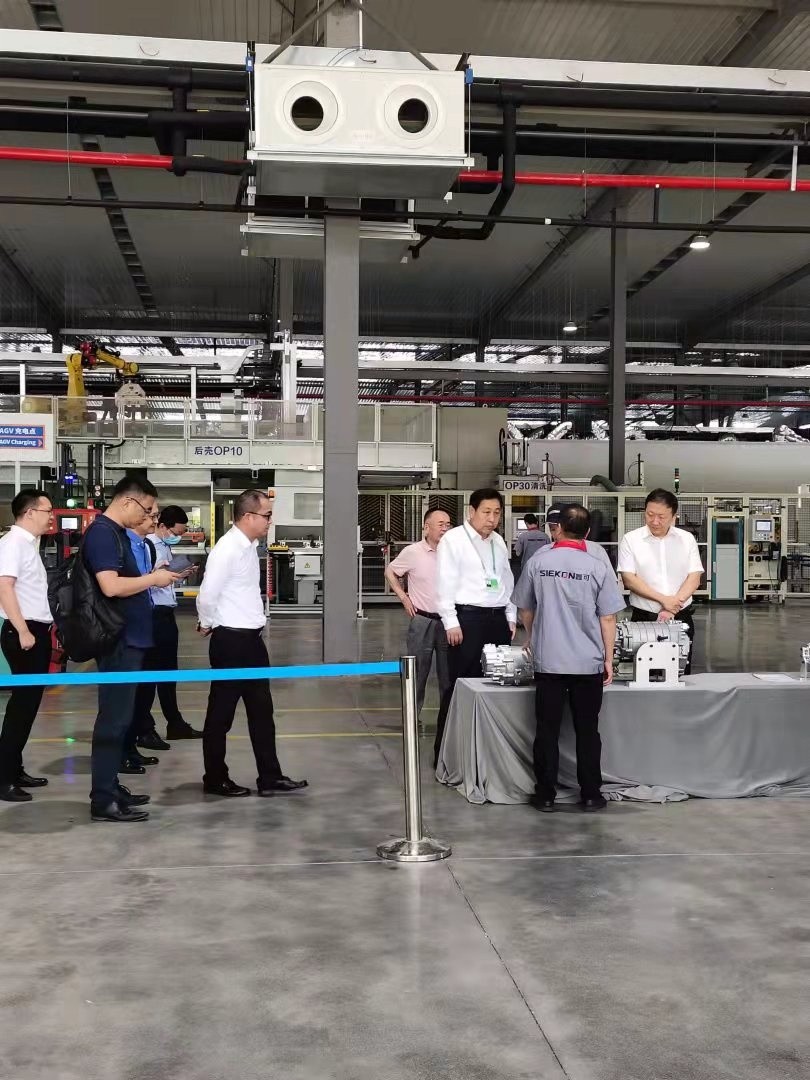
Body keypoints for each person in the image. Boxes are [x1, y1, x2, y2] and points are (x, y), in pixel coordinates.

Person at [513, 504, 625, 813]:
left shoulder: (538, 562)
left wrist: (533, 637)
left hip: (548, 660)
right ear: (587, 533)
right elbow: (608, 618)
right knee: (587, 730)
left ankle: (545, 795)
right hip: (588, 663)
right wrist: (607, 658)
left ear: (559, 527)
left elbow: (525, 609)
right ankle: (590, 794)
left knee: (546, 730)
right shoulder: (597, 566)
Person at [82, 475, 182, 823]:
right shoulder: (103, 534)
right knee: (113, 719)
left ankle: (110, 786)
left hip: (132, 638)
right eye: (147, 509)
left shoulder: (117, 534)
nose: (149, 516)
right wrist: (154, 579)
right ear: (128, 502)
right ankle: (103, 798)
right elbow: (110, 587)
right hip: (119, 640)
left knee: (122, 718)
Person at [196, 489, 307, 798]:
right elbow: (207, 594)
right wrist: (206, 623)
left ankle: (270, 776)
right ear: (247, 516)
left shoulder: (249, 547)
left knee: (262, 712)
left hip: (252, 641)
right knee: (221, 715)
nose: (270, 521)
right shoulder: (227, 549)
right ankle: (215, 778)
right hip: (231, 642)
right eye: (267, 515)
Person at [434, 488, 516, 766]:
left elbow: (506, 580)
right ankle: (448, 755)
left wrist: (510, 615)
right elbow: (444, 582)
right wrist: (450, 621)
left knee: (497, 682)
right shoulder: (454, 539)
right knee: (460, 684)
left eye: (497, 513)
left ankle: (488, 753)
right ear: (471, 511)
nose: (492, 519)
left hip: (497, 619)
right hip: (466, 619)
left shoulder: (498, 541)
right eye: (486, 512)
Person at [0, 490, 55, 802]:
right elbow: (4, 587)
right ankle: (3, 778)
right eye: (47, 511)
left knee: (28, 706)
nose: (51, 517)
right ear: (30, 512)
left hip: (35, 630)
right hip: (25, 632)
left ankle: (14, 768)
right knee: (21, 708)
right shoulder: (13, 543)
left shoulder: (27, 544)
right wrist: (22, 630)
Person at [134, 506, 203, 749]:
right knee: (149, 676)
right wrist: (159, 575)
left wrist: (179, 574)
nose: (178, 536)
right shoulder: (147, 546)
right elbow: (142, 580)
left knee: (168, 673)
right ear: (162, 526)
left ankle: (175, 723)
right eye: (176, 532)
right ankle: (144, 729)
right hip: (152, 615)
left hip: (166, 614)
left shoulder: (164, 546)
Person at [617, 488, 703, 674]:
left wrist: (672, 607)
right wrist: (664, 600)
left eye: (662, 517)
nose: (655, 521)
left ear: (673, 516)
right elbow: (629, 579)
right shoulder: (631, 540)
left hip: (680, 616)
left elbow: (694, 577)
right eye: (650, 515)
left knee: (679, 673)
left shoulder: (686, 539)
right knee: (644, 674)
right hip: (644, 618)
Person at [384, 508, 452, 718]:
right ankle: (411, 719)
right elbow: (390, 571)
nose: (445, 528)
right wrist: (404, 597)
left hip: (449, 622)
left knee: (448, 676)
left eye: (448, 524)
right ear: (426, 527)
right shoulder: (413, 552)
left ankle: (448, 721)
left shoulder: (454, 552)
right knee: (417, 674)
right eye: (440, 524)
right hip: (422, 620)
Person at [119, 506, 162, 775]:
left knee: (139, 693)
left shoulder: (145, 546)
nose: (154, 521)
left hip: (144, 623)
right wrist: (152, 579)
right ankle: (121, 752)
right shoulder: (124, 545)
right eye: (151, 515)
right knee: (123, 699)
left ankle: (131, 746)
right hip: (128, 628)